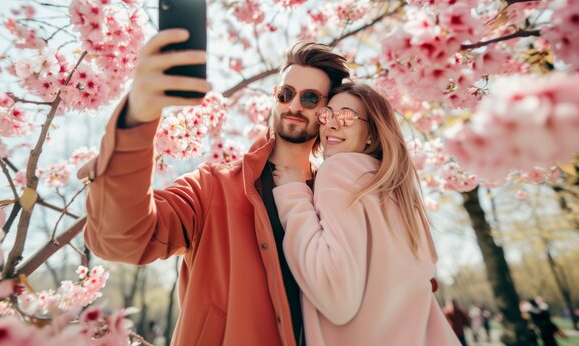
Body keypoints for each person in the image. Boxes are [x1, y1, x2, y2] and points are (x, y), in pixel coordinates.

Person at [77, 28, 350, 346]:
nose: (294, 105)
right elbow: (122, 239)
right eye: (285, 93)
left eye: (310, 98)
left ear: (328, 112)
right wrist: (137, 117)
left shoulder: (337, 200)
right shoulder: (211, 186)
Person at [271, 83, 461, 346]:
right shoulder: (403, 198)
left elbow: (335, 294)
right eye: (326, 115)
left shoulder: (339, 168)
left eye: (347, 117)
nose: (332, 125)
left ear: (371, 134)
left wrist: (294, 197)